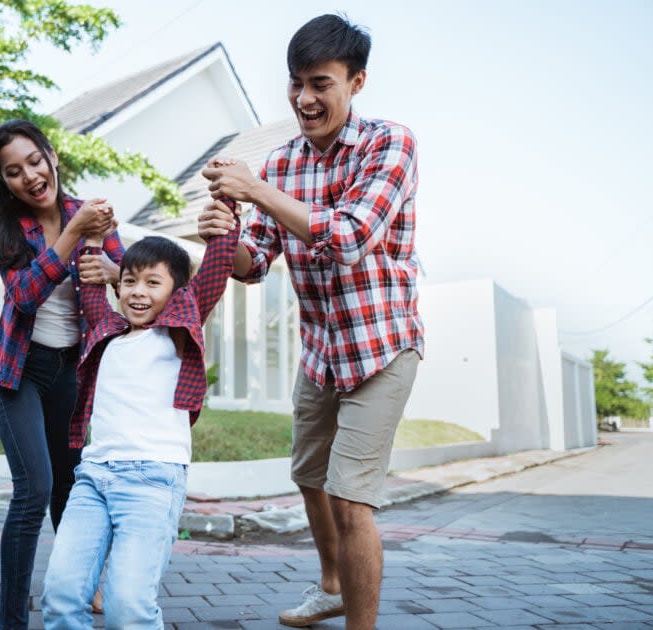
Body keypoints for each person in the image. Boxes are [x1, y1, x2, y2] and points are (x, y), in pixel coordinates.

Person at [198, 14, 424, 630]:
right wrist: (227, 235)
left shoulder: (391, 144)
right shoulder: (280, 164)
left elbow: (350, 236)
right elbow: (254, 262)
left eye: (320, 83)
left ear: (357, 82)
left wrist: (255, 192)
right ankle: (330, 586)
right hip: (321, 348)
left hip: (382, 345)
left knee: (352, 499)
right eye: (296, 83)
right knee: (308, 475)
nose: (304, 99)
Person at [39, 201, 240, 629]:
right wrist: (94, 236)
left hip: (152, 482)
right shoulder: (106, 333)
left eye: (153, 282)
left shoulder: (179, 333)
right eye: (129, 280)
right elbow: (92, 283)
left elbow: (216, 269)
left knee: (127, 607)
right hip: (93, 480)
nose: (138, 291)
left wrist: (227, 207)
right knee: (60, 597)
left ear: (175, 293)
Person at [0, 119, 123, 630]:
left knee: (69, 490)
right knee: (33, 490)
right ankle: (12, 621)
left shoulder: (92, 216)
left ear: (52, 155)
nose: (30, 177)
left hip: (70, 370)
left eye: (35, 161)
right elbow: (24, 295)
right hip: (18, 370)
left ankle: (79, 592)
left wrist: (112, 272)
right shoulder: (4, 227)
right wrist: (75, 236)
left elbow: (129, 289)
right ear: (4, 181)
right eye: (13, 172)